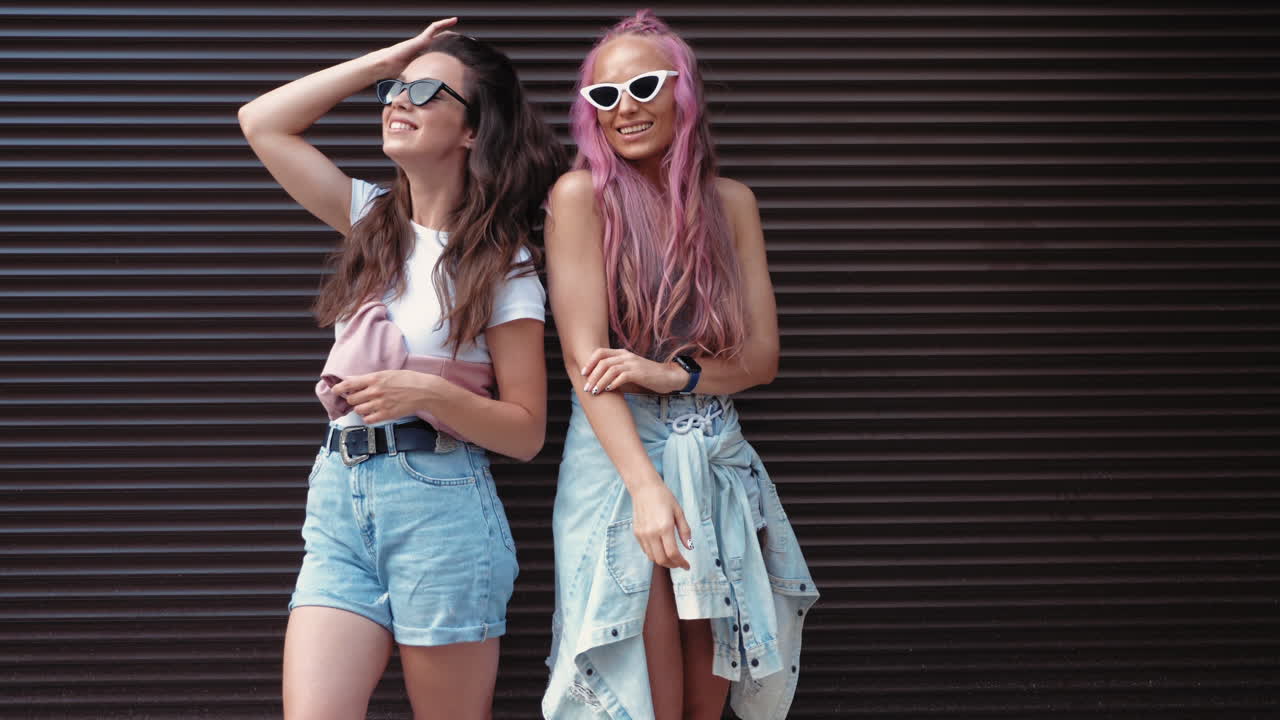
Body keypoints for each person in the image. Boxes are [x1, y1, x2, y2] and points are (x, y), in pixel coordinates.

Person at [237, 17, 564, 719]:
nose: (398, 100)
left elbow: (527, 431)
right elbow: (262, 122)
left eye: (425, 91)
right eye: (393, 91)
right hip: (339, 499)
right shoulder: (372, 219)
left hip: (440, 503)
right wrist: (389, 57)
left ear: (472, 130)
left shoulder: (504, 265)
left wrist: (425, 390)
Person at [542, 10, 818, 720]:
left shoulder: (733, 206)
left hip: (713, 452)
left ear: (682, 92)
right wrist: (644, 488)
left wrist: (679, 374)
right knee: (639, 684)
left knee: (707, 691)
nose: (624, 107)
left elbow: (760, 360)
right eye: (605, 97)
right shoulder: (582, 199)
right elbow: (586, 361)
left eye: (641, 85)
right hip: (620, 457)